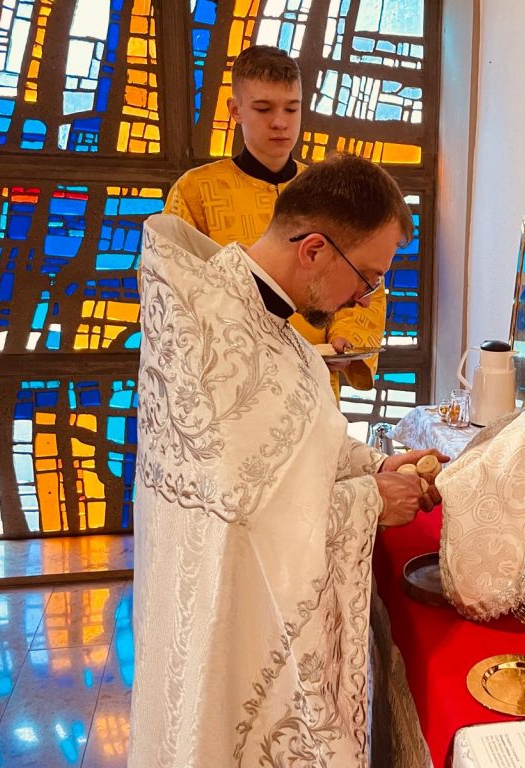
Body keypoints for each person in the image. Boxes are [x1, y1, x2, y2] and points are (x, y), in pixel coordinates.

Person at [130, 154, 446, 767]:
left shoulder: (269, 321)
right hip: (232, 633)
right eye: (367, 277)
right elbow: (237, 517)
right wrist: (370, 502)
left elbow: (289, 447)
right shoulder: (212, 328)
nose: (364, 297)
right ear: (315, 250)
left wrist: (373, 467)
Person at [164, 44, 388, 398]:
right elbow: (174, 289)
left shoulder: (330, 192)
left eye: (291, 108)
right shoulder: (196, 191)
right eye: (263, 108)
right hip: (232, 384)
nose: (280, 122)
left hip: (314, 380)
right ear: (235, 110)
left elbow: (365, 278)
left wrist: (346, 337)